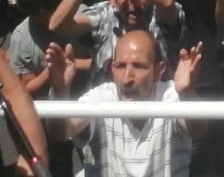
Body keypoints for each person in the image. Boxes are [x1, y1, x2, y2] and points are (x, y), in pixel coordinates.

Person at [50, 28, 204, 177]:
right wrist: (60, 92)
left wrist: (187, 94)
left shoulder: (170, 95)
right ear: (112, 69)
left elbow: (198, 129)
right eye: (120, 66)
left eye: (138, 66)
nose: (127, 78)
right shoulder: (101, 97)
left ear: (158, 70)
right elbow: (60, 132)